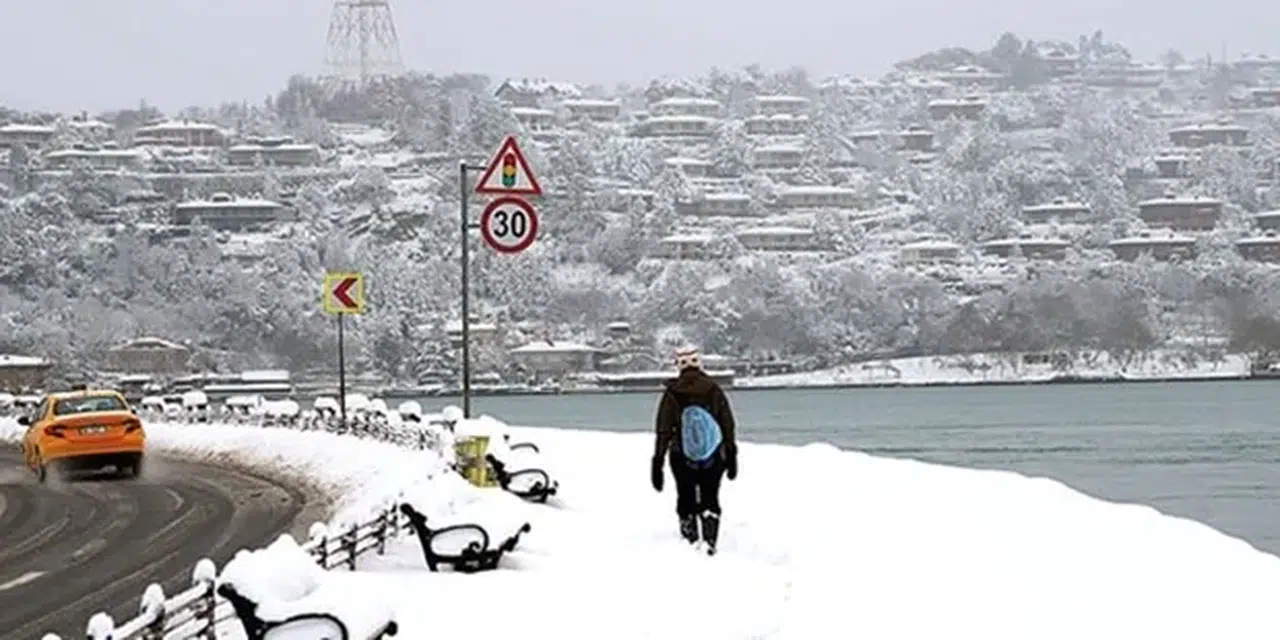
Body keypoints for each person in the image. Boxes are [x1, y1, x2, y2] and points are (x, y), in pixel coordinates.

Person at [650, 346, 738, 553]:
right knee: (710, 497)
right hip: (713, 456)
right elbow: (727, 424)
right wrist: (731, 454)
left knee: (685, 497)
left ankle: (689, 543)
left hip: (681, 457)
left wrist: (658, 461)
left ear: (679, 367)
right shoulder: (714, 389)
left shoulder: (672, 393)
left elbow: (663, 430)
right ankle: (710, 541)